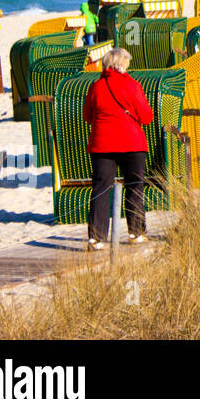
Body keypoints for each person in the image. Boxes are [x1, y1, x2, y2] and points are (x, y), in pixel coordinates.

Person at [83, 47, 153, 249]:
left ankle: (95, 238)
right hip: (132, 143)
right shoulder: (133, 86)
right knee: (135, 186)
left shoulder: (96, 87)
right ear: (122, 64)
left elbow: (88, 116)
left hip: (102, 144)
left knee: (101, 188)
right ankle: (136, 233)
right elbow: (146, 117)